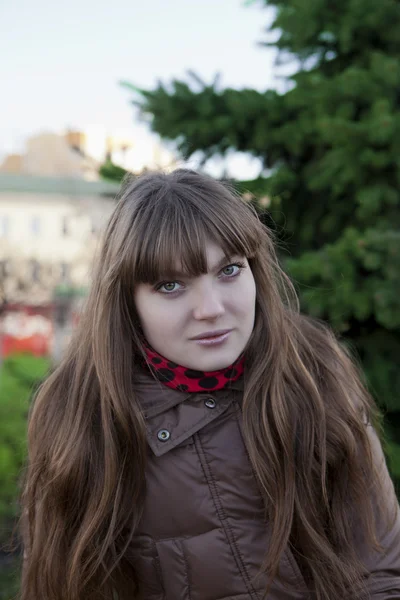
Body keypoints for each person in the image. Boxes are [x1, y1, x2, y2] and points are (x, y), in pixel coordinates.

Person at [19, 169, 400, 600]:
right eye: (170, 285)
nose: (211, 309)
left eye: (229, 270)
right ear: (128, 301)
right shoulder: (80, 414)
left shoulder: (315, 374)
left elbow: (381, 573)